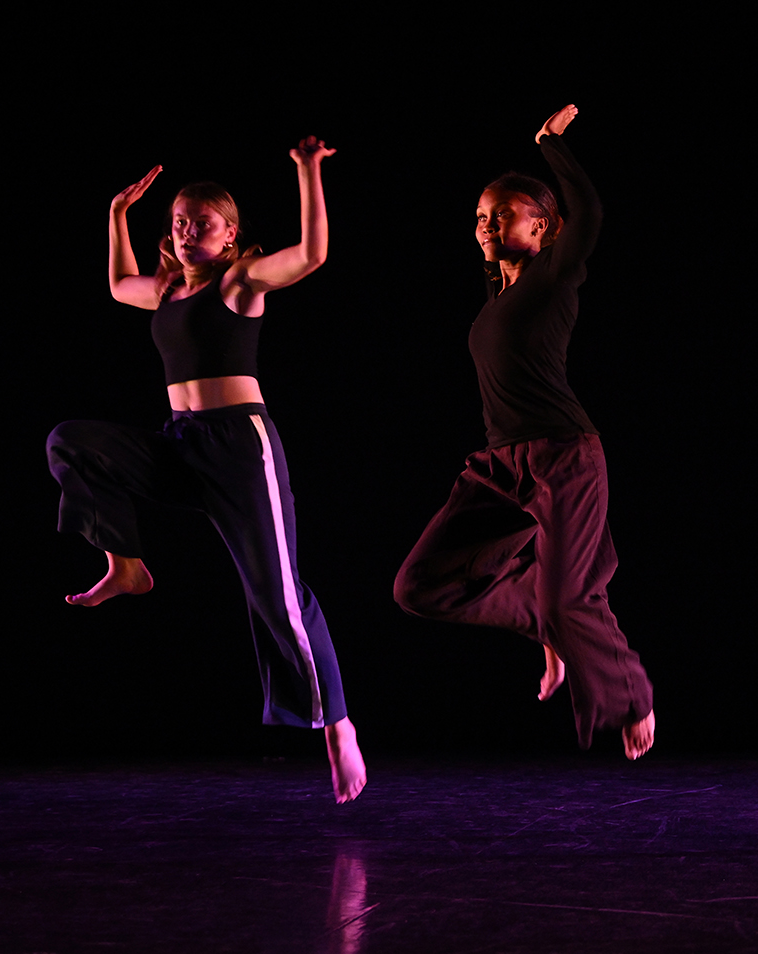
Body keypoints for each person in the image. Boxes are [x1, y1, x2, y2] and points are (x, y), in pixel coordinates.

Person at [46, 138, 366, 803]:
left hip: (239, 450)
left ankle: (337, 725)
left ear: (230, 238)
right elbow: (115, 284)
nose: (188, 232)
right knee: (71, 442)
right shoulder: (164, 289)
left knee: (276, 594)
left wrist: (307, 172)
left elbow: (311, 256)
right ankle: (126, 565)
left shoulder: (239, 283)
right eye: (179, 223)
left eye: (204, 224)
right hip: (180, 444)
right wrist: (115, 215)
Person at [393, 105, 655, 760]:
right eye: (480, 216)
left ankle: (631, 693)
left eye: (502, 215)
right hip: (498, 467)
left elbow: (588, 216)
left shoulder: (553, 277)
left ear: (540, 226)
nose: (486, 224)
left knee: (571, 598)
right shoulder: (500, 295)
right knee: (418, 587)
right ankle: (551, 620)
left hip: (562, 456)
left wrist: (549, 145)